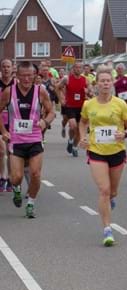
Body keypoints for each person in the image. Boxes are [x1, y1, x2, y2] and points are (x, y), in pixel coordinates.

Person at [79, 66, 127, 246]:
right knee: (104, 190)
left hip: (117, 151)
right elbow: (83, 123)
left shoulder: (120, 104)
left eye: (108, 81)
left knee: (112, 191)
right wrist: (83, 137)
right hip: (96, 151)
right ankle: (107, 229)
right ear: (96, 84)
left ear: (112, 83)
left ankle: (110, 199)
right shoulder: (89, 105)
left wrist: (124, 134)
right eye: (102, 81)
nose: (105, 84)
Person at [0, 61, 55, 218]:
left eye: (30, 76)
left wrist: (45, 121)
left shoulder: (40, 91)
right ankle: (16, 189)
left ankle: (30, 203)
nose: (26, 79)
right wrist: (4, 131)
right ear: (17, 76)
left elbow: (51, 112)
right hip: (16, 141)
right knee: (16, 177)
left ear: (34, 75)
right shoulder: (9, 92)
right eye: (23, 76)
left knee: (35, 174)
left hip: (35, 139)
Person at [56, 61, 92, 157]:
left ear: (82, 69)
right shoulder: (66, 79)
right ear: (73, 68)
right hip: (70, 106)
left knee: (80, 130)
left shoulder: (86, 80)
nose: (78, 69)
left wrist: (88, 92)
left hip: (82, 107)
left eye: (80, 67)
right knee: (73, 126)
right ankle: (71, 140)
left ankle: (75, 147)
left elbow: (91, 92)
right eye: (76, 67)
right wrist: (61, 99)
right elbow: (57, 88)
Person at [0, 59, 14, 192]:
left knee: (10, 151)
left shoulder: (17, 84)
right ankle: (2, 177)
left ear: (12, 68)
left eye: (8, 66)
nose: (6, 69)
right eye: (3, 66)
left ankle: (10, 178)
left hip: (12, 122)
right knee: (1, 150)